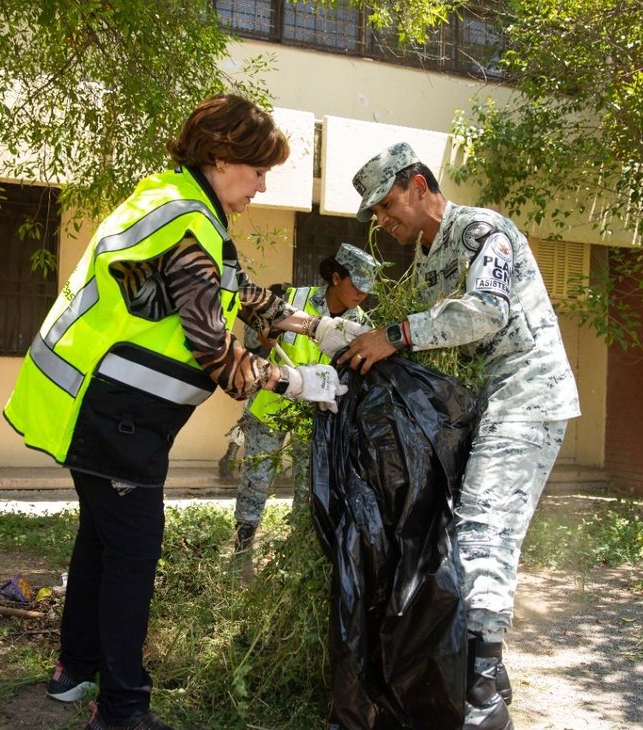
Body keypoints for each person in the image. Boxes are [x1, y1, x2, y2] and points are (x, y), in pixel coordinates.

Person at [3, 94, 349, 730]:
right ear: (221, 158)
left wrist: (312, 323)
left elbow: (233, 288)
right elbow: (217, 355)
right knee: (134, 551)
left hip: (90, 399)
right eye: (258, 169)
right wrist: (301, 381)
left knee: (101, 541)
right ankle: (123, 710)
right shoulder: (186, 224)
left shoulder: (182, 203)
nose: (263, 184)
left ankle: (75, 671)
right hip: (109, 414)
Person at [336, 142, 581, 730]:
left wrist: (394, 334)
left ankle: (482, 690)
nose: (383, 220)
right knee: (457, 527)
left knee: (482, 528)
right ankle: (484, 673)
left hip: (529, 392)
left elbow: (485, 312)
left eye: (387, 204)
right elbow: (437, 342)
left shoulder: (480, 231)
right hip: (489, 402)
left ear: (419, 185)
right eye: (374, 213)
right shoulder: (425, 260)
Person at [234, 244, 380, 552]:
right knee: (255, 481)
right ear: (336, 277)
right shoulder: (292, 300)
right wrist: (263, 338)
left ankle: (295, 555)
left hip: (314, 419)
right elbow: (252, 343)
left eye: (367, 290)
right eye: (357, 286)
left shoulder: (362, 327)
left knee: (307, 491)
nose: (361, 295)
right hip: (269, 408)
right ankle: (242, 550)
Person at [217, 284, 288, 480]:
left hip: (274, 376)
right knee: (249, 419)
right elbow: (253, 343)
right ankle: (230, 458)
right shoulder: (259, 317)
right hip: (259, 374)